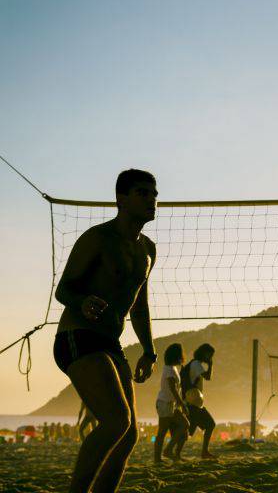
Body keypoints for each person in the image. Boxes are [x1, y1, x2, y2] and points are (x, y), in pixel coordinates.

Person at [52, 169, 159, 492]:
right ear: (121, 199)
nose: (152, 199)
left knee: (129, 435)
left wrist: (149, 350)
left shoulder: (148, 249)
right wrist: (83, 301)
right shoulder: (98, 238)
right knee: (116, 422)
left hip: (110, 342)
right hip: (78, 335)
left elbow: (139, 306)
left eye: (154, 193)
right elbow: (64, 290)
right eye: (143, 193)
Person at [154, 343, 189, 463]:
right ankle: (159, 458)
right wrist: (182, 404)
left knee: (184, 424)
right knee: (162, 432)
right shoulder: (169, 369)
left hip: (169, 404)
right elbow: (172, 388)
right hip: (165, 403)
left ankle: (168, 451)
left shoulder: (171, 368)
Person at [181, 343, 217, 459]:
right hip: (193, 404)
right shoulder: (196, 364)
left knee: (189, 431)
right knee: (189, 431)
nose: (210, 358)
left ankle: (203, 452)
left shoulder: (195, 364)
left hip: (194, 403)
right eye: (209, 355)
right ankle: (172, 451)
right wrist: (210, 365)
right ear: (204, 354)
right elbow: (207, 377)